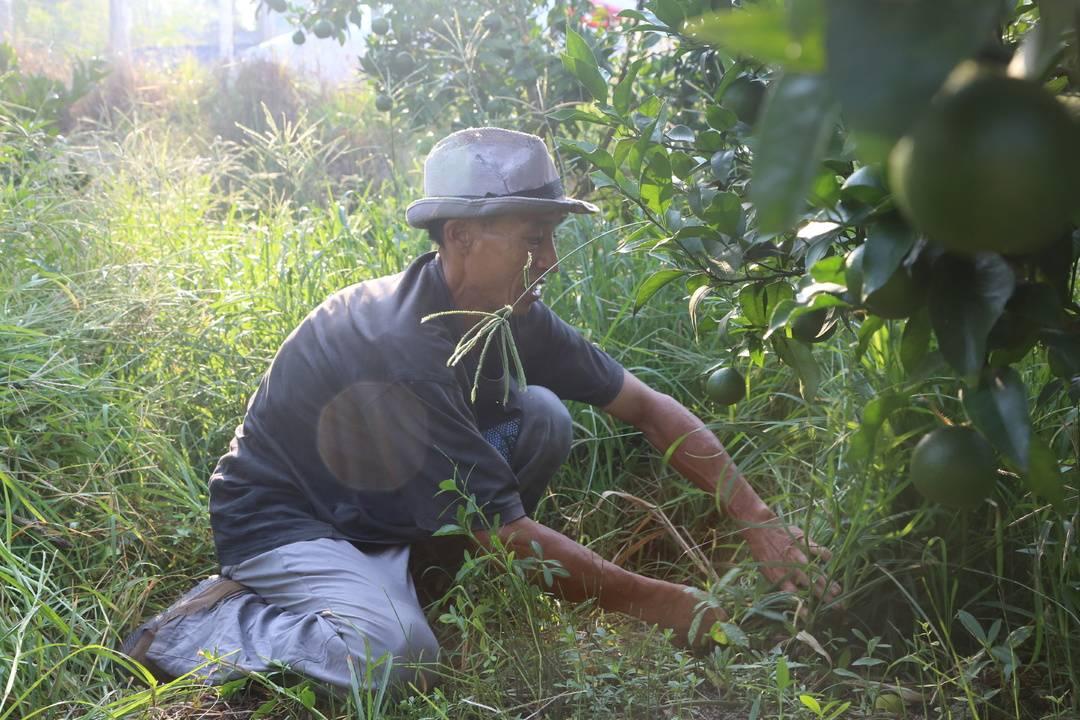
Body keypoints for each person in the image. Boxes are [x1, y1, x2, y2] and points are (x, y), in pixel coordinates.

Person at [120, 127, 838, 692]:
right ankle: (200, 630)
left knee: (544, 414)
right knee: (396, 660)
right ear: (460, 237)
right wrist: (659, 602)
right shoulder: (398, 344)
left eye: (552, 238)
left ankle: (406, 581)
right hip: (291, 519)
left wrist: (760, 521)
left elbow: (647, 407)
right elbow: (509, 535)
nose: (550, 260)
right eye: (533, 239)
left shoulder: (509, 305)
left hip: (375, 501)